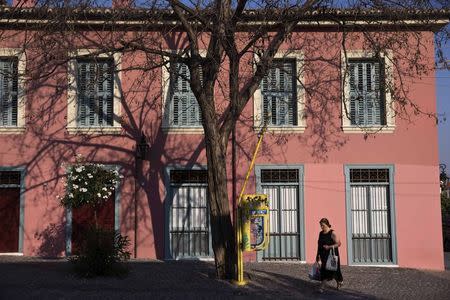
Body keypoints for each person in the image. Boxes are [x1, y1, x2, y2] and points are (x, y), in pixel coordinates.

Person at [316, 218, 343, 293]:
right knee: (324, 270)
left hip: (331, 255)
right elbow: (319, 245)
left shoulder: (332, 233)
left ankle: (339, 281)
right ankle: (322, 287)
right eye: (320, 225)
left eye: (323, 225)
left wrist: (329, 247)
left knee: (335, 271)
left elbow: (339, 243)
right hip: (322, 254)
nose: (321, 227)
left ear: (327, 224)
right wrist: (318, 256)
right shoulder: (321, 233)